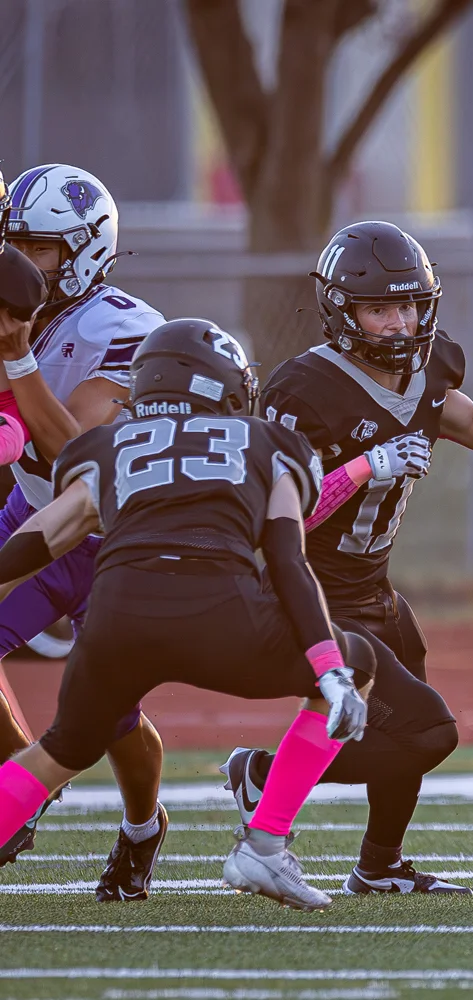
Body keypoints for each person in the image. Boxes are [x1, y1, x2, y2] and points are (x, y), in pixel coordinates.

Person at [218, 220, 473, 895]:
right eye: (381, 307)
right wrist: (363, 469)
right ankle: (263, 780)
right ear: (342, 310)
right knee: (429, 731)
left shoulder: (429, 366)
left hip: (373, 587)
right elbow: (275, 520)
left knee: (410, 717)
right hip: (312, 593)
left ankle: (378, 866)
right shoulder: (303, 390)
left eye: (409, 304)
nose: (400, 321)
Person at [0, 318, 375, 910]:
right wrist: (329, 665)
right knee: (361, 657)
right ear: (228, 389)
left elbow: (41, 536)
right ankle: (265, 841)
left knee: (57, 753)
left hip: (117, 619)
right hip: (222, 613)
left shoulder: (106, 445)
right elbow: (286, 559)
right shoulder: (266, 443)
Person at [0, 164, 168, 894]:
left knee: (111, 712)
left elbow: (81, 455)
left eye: (36, 248)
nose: (19, 263)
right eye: (13, 244)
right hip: (33, 517)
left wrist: (16, 351)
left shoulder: (131, 326)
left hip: (110, 538)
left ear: (85, 250)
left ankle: (143, 825)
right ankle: (21, 790)